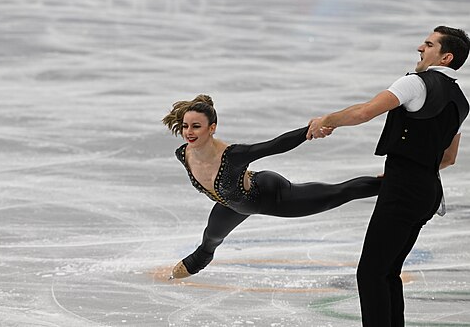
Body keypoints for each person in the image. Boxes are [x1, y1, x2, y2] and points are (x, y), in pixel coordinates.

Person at [306, 26, 470, 327]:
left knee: (370, 273)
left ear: (445, 57)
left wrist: (327, 120)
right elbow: (448, 158)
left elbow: (365, 112)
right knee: (387, 272)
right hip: (428, 191)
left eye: (429, 44)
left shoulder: (416, 84)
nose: (420, 47)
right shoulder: (461, 101)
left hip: (404, 190)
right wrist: (412, 170)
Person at [162, 94, 382, 279]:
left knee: (339, 193)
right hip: (231, 205)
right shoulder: (183, 154)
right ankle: (177, 276)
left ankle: (390, 182)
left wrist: (311, 130)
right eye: (185, 126)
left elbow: (274, 146)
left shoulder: (233, 156)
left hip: (269, 195)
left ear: (212, 128)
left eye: (196, 126)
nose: (189, 132)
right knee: (209, 241)